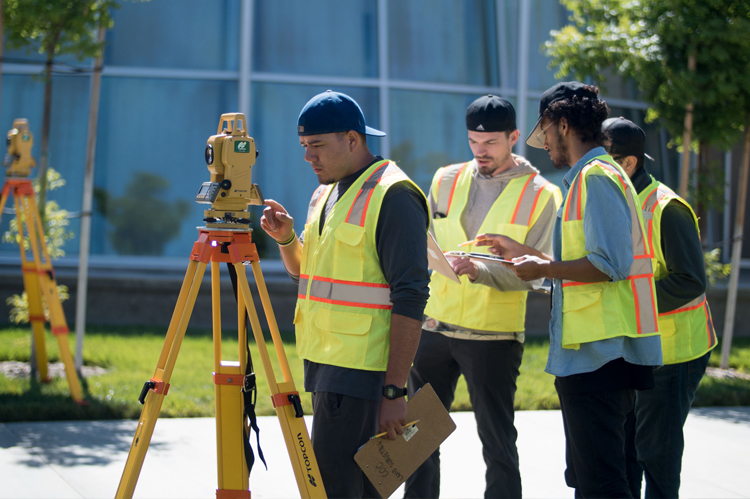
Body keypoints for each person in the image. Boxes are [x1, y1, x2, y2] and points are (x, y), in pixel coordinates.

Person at [476, 82, 663, 498]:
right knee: (598, 476)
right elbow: (585, 261)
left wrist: (544, 265)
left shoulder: (595, 178)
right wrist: (527, 255)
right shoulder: (589, 179)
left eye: (545, 134)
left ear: (563, 124)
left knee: (601, 481)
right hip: (595, 354)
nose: (544, 147)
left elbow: (610, 263)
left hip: (599, 356)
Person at [259, 90, 430, 498]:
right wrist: (286, 241)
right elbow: (309, 273)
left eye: (316, 145)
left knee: (337, 490)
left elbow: (411, 297)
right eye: (303, 146)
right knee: (347, 489)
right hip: (327, 365)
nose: (308, 157)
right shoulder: (327, 192)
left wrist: (394, 391)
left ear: (353, 139)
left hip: (364, 374)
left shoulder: (395, 196)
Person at [404, 95, 561, 499]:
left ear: (513, 138)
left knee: (497, 445)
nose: (480, 151)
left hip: (493, 337)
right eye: (473, 141)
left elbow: (534, 275)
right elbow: (425, 243)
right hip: (434, 327)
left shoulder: (541, 194)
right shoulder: (444, 178)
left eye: (490, 142)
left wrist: (479, 270)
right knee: (416, 441)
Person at [603, 117, 717, 498]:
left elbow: (690, 281)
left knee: (657, 454)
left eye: (603, 162)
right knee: (626, 453)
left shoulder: (667, 208)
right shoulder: (617, 203)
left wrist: (627, 304)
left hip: (674, 353)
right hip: (634, 350)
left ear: (629, 163)